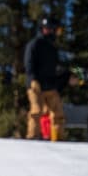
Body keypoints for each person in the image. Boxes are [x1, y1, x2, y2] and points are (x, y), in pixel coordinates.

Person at [25, 14, 68, 142]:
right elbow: (29, 63)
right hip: (36, 85)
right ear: (46, 29)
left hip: (50, 85)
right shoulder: (35, 44)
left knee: (58, 113)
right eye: (55, 30)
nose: (55, 33)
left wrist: (65, 78)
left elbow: (58, 67)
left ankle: (58, 137)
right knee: (36, 110)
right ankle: (33, 136)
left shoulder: (53, 48)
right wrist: (32, 79)